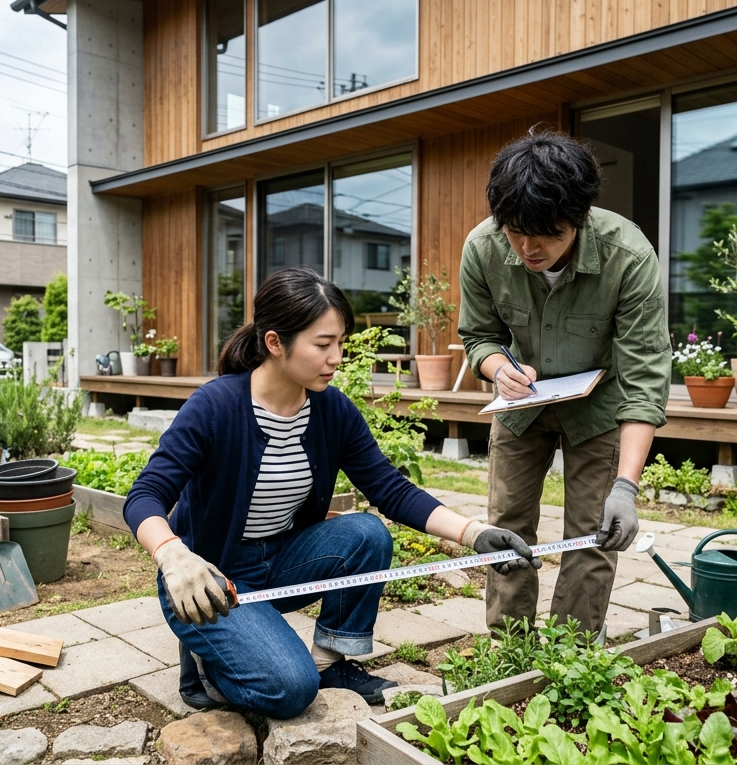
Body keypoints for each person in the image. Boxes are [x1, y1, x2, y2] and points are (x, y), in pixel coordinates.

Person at [123, 267, 541, 719]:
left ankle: (330, 664)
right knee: (289, 690)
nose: (336, 357)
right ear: (274, 342)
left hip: (278, 562)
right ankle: (208, 661)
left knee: (365, 533)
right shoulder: (216, 406)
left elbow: (389, 488)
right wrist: (172, 554)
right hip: (209, 582)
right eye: (323, 345)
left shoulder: (330, 409)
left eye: (340, 342)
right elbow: (145, 493)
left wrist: (474, 533)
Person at [457, 128, 672, 638]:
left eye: (548, 233)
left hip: (598, 410)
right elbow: (479, 336)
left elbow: (645, 375)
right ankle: (510, 647)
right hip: (521, 405)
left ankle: (572, 653)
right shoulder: (482, 248)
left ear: (578, 218)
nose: (529, 247)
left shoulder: (629, 255)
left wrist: (626, 487)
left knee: (594, 533)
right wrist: (497, 368)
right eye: (514, 231)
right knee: (506, 523)